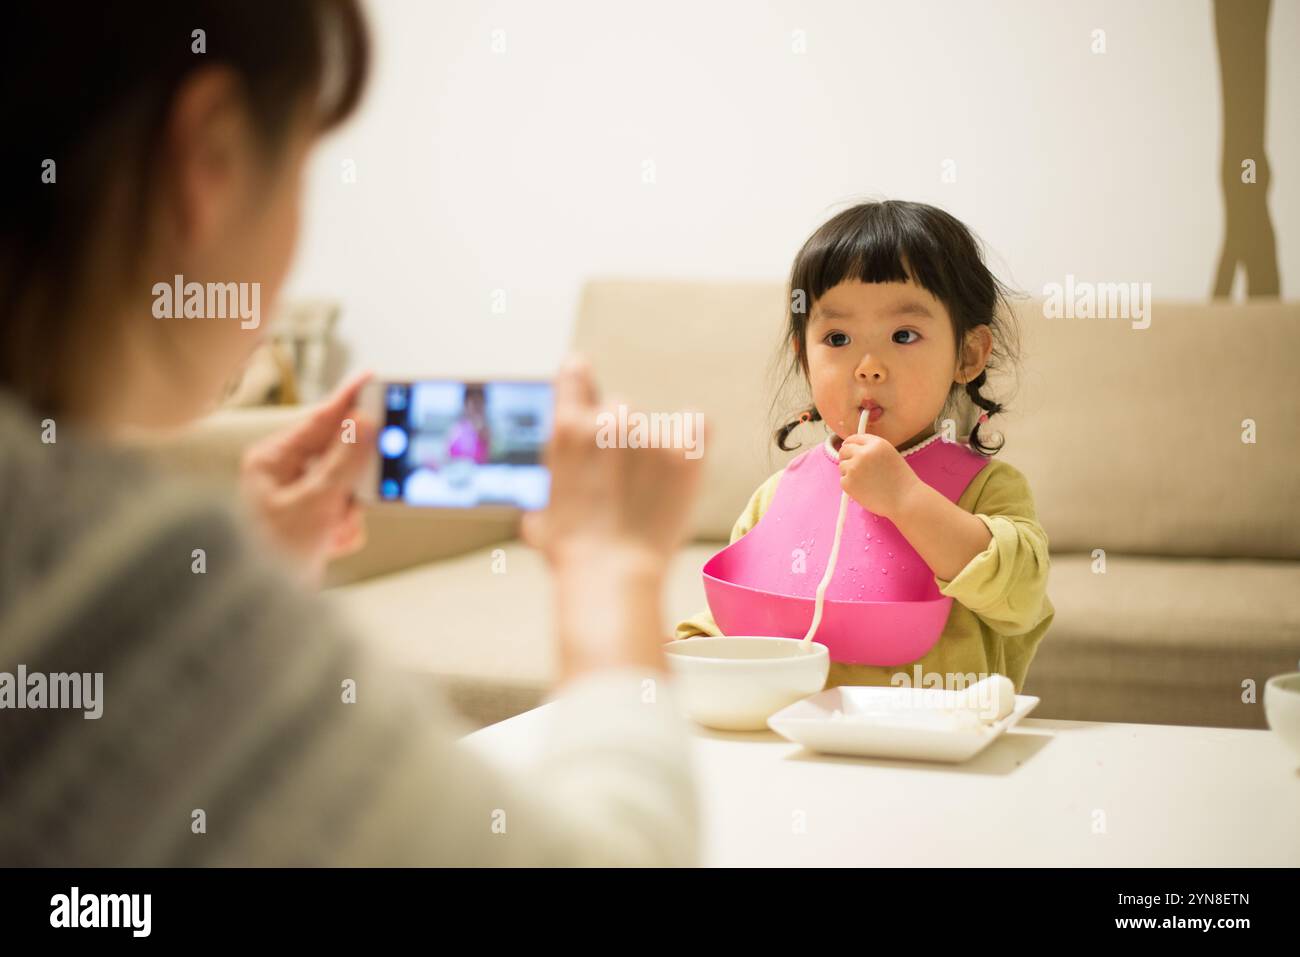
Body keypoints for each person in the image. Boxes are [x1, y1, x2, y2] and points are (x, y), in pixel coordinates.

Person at [0, 1, 702, 866]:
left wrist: (252, 576)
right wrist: (612, 570)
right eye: (303, 165)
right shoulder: (115, 580)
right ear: (210, 157)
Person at [676, 201, 1054, 693]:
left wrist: (907, 501)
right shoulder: (778, 495)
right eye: (837, 337)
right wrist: (687, 648)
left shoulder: (987, 489)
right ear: (805, 358)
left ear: (968, 354)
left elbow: (1020, 594)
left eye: (903, 334)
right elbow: (738, 616)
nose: (868, 366)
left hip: (936, 750)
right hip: (798, 744)